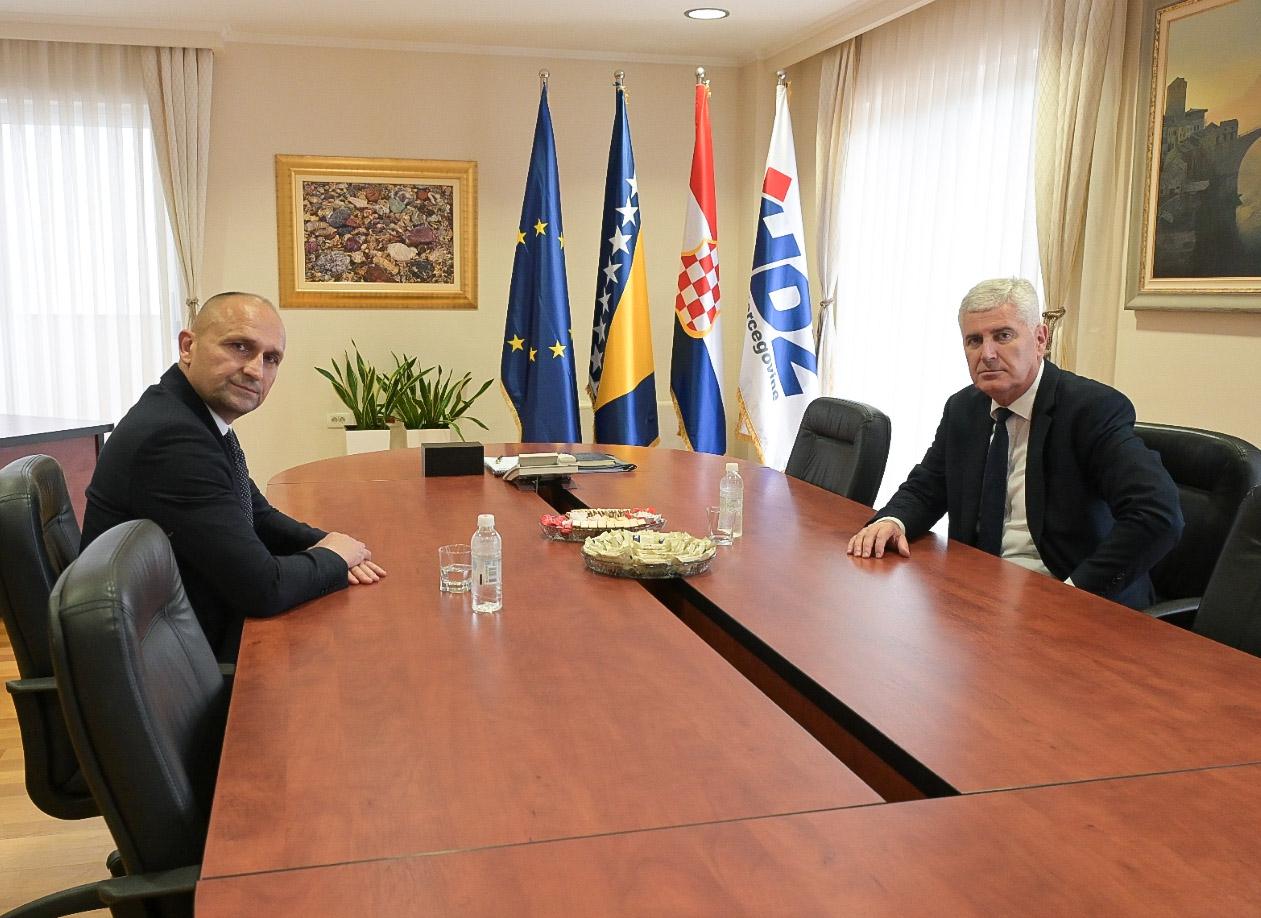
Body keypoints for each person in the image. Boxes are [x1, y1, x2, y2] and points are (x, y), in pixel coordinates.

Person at [82, 292, 386, 659]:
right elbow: (262, 588)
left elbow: (256, 514)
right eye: (240, 347)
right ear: (188, 346)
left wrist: (332, 543)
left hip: (182, 635)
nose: (256, 370)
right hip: (175, 665)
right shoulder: (172, 440)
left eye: (271, 358)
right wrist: (334, 558)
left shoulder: (192, 415)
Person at [846, 277, 1182, 609]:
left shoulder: (1091, 409)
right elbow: (929, 485)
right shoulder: (964, 408)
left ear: (1040, 339)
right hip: (979, 592)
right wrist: (892, 521)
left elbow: (1158, 515)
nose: (988, 354)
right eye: (974, 341)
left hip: (1069, 598)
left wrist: (1075, 592)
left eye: (1003, 336)